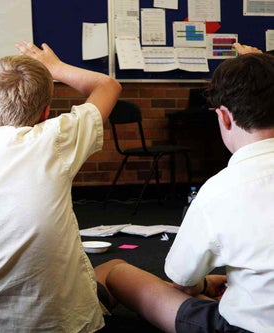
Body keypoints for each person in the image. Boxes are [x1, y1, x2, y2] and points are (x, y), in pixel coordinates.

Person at [0, 41, 122, 332]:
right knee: (112, 273)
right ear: (46, 113)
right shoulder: (57, 137)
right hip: (62, 322)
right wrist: (56, 68)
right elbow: (108, 85)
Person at [101, 53, 274, 332]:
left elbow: (182, 281)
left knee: (118, 273)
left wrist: (204, 283)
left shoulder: (220, 189)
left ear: (224, 117)